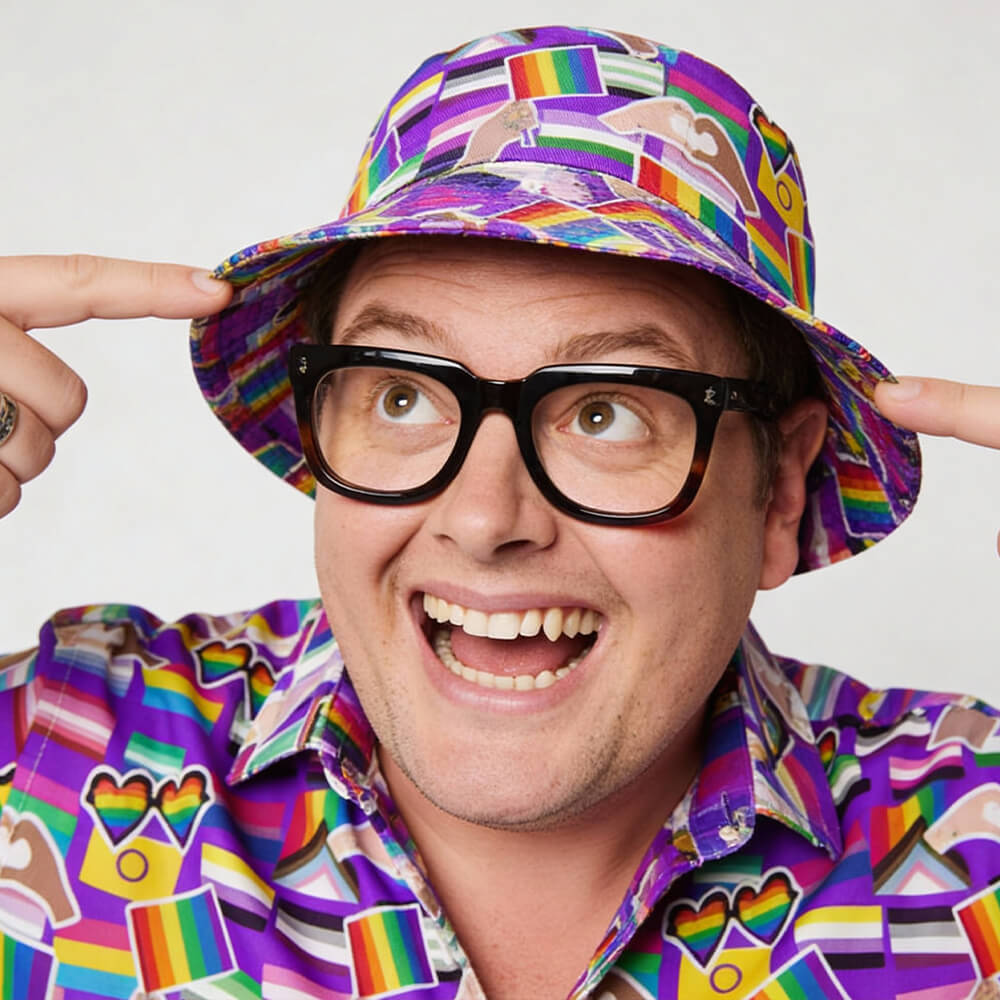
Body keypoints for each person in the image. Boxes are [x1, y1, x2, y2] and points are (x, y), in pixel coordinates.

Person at [1, 24, 998, 1000]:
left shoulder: (976, 844)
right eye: (402, 395)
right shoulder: (54, 749)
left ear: (777, 489)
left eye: (607, 412)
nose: (483, 520)